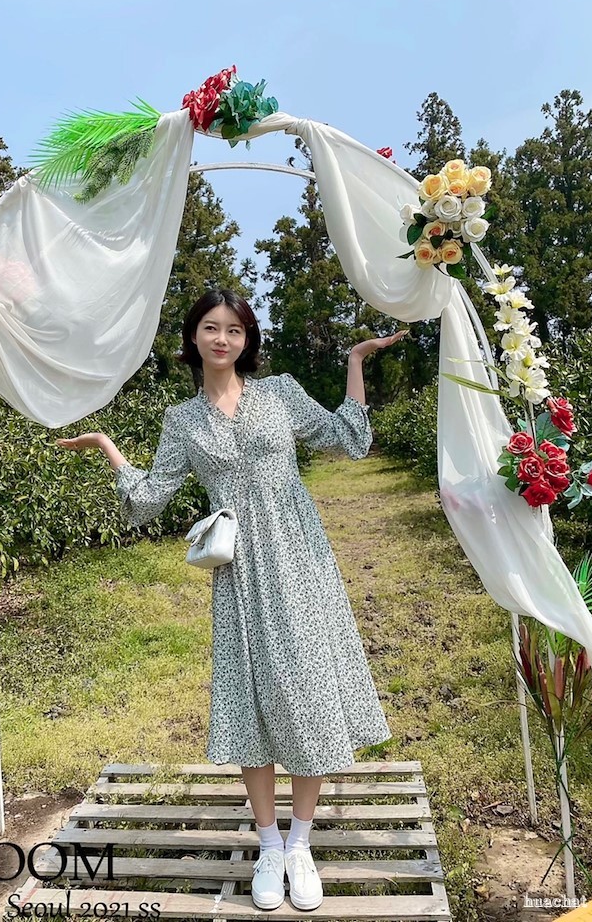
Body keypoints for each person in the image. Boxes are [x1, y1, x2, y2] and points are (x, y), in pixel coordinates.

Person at [57, 288, 408, 911]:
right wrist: (109, 448)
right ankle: (269, 845)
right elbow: (149, 498)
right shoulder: (182, 421)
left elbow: (346, 439)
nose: (223, 339)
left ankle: (300, 844)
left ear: (247, 340)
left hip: (299, 560)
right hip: (240, 572)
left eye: (235, 330)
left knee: (308, 693)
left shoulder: (280, 394)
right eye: (211, 328)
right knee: (251, 702)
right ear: (193, 338)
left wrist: (355, 360)